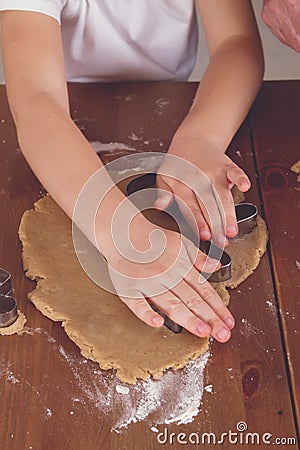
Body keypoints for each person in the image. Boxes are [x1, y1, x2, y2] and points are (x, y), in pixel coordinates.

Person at [0, 1, 264, 343]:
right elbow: (37, 101)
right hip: (59, 132)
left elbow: (237, 41)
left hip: (179, 107)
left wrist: (201, 138)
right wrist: (119, 232)